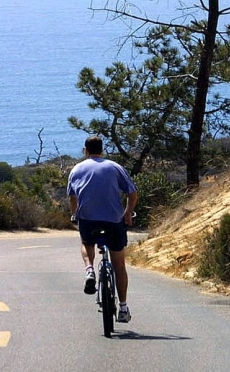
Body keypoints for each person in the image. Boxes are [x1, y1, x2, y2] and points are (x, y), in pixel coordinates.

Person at [67, 135, 138, 323]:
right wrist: (128, 213)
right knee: (119, 265)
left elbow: (72, 197)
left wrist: (75, 214)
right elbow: (132, 193)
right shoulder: (114, 167)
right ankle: (123, 307)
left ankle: (89, 269)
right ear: (102, 150)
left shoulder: (76, 169)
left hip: (88, 220)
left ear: (85, 151)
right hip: (113, 221)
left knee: (86, 242)